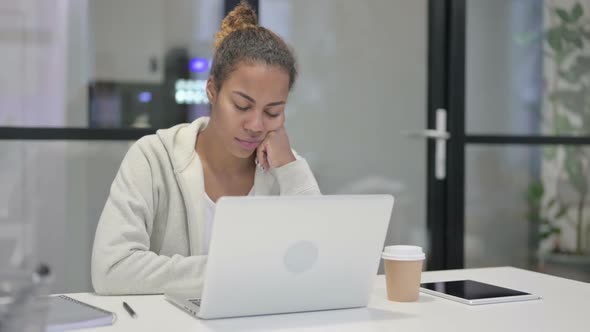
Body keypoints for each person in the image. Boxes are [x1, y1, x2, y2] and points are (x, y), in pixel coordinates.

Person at [91, 1, 320, 295]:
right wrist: (228, 272)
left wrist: (290, 167)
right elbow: (111, 269)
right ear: (211, 89)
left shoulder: (284, 168)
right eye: (242, 106)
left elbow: (317, 264)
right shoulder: (153, 157)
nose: (256, 125)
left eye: (273, 112)